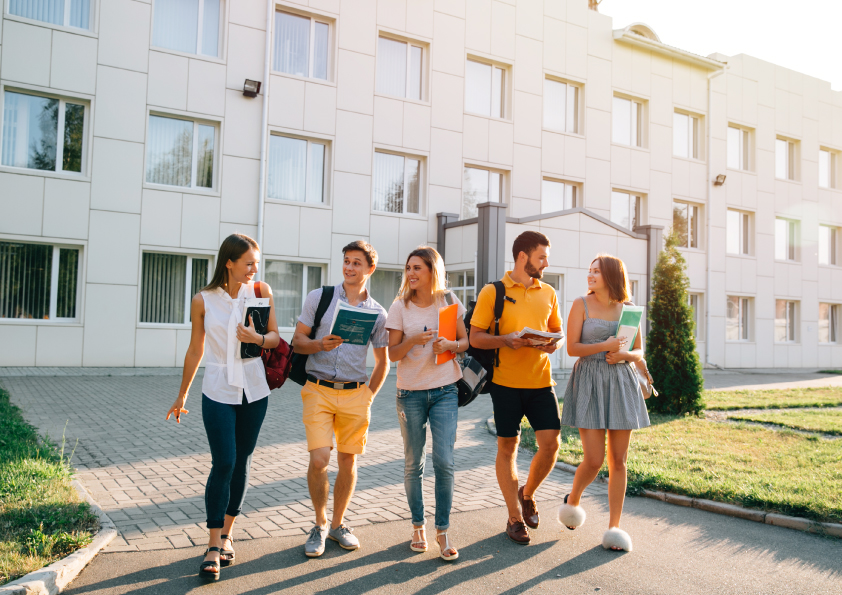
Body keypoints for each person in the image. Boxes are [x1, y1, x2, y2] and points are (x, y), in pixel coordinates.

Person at [165, 234, 280, 580]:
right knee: (224, 461)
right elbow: (195, 349)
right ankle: (212, 544)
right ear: (229, 262)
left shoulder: (261, 292)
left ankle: (228, 534)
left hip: (255, 388)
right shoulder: (202, 300)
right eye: (248, 263)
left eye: (256, 263)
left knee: (242, 461)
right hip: (217, 388)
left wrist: (257, 339)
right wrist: (182, 393)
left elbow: (275, 336)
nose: (254, 269)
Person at [292, 240, 389, 557]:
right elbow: (297, 342)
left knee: (348, 461)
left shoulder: (377, 313)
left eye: (356, 262)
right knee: (319, 459)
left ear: (370, 269)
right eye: (346, 261)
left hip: (354, 394)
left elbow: (384, 361)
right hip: (318, 389)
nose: (349, 267)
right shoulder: (319, 298)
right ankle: (319, 525)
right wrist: (320, 345)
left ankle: (337, 525)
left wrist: (368, 396)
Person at [469, 231, 563, 545]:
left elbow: (555, 331)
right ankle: (513, 517)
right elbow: (475, 337)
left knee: (551, 445)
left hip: (541, 382)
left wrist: (551, 345)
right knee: (507, 448)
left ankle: (528, 494)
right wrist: (506, 340)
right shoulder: (492, 292)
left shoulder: (548, 292)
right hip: (505, 384)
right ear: (523, 256)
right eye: (542, 257)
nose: (546, 263)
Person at [557, 254, 650, 553]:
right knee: (594, 459)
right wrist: (606, 346)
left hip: (621, 383)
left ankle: (614, 527)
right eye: (589, 271)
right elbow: (572, 348)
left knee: (619, 461)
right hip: (590, 381)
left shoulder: (628, 310)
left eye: (596, 271)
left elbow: (639, 350)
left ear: (611, 276)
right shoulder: (580, 304)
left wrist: (624, 355)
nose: (590, 275)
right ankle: (573, 500)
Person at [386, 247, 469, 561]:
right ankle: (418, 524)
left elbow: (465, 342)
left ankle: (443, 529)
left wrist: (450, 345)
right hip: (410, 393)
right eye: (408, 268)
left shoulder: (448, 301)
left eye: (417, 268)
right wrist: (413, 341)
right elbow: (392, 354)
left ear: (432, 270)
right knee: (413, 463)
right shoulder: (400, 307)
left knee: (444, 461)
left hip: (445, 390)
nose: (411, 273)